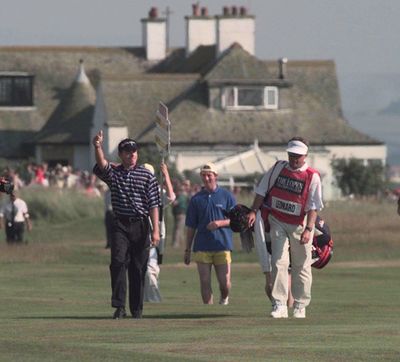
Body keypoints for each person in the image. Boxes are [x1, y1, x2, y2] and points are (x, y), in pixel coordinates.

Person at [247, 137, 323, 318]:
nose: (294, 159)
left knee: (301, 265)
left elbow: (314, 206)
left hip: (300, 224)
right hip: (277, 220)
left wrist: (309, 229)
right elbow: (261, 191)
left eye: (297, 155)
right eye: (291, 155)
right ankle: (279, 304)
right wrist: (253, 211)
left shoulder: (312, 176)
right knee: (278, 262)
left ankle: (299, 305)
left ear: (305, 155)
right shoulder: (278, 168)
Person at [92, 130, 160, 319]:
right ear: (121, 155)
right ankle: (119, 306)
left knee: (138, 268)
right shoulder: (114, 174)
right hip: (120, 224)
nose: (132, 155)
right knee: (118, 263)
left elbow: (154, 204)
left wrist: (155, 231)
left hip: (140, 225)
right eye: (128, 152)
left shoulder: (147, 176)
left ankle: (136, 309)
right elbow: (101, 164)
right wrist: (97, 146)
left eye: (134, 152)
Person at [184, 162, 236, 305]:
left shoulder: (227, 196)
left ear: (216, 176)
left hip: (222, 245)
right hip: (202, 246)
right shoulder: (196, 199)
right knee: (205, 281)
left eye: (209, 175)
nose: (206, 178)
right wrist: (187, 249)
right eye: (204, 175)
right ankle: (208, 310)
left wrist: (220, 223)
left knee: (225, 284)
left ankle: (224, 298)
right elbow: (190, 227)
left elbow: (237, 220)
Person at [143, 162, 176, 302]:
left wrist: (166, 175)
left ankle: (154, 300)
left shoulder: (157, 191)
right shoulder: (133, 187)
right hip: (136, 233)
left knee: (151, 269)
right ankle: (143, 299)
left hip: (154, 236)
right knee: (140, 269)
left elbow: (171, 197)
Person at [171, 181, 189, 249]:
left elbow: (175, 203)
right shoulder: (183, 196)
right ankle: (182, 243)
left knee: (178, 229)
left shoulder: (181, 196)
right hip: (180, 214)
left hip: (181, 214)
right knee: (179, 229)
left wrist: (172, 201)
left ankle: (176, 243)